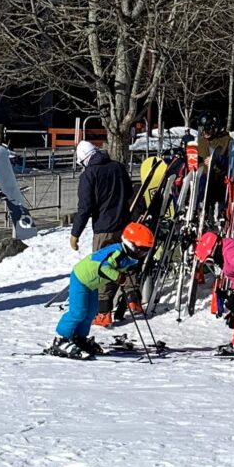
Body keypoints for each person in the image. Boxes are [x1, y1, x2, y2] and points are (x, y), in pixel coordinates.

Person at [48, 222, 155, 359]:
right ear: (131, 244)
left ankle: (79, 338)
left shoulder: (130, 257)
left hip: (91, 284)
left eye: (146, 250)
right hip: (81, 278)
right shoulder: (116, 252)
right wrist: (118, 277)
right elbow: (103, 267)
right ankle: (60, 339)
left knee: (91, 312)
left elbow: (126, 268)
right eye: (141, 249)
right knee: (78, 312)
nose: (143, 254)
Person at [69, 138, 132, 325]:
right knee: (123, 263)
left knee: (102, 269)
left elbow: (85, 207)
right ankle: (132, 300)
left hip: (104, 229)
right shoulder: (118, 167)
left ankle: (104, 313)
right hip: (124, 226)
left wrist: (75, 233)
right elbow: (129, 193)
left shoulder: (89, 174)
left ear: (83, 160)